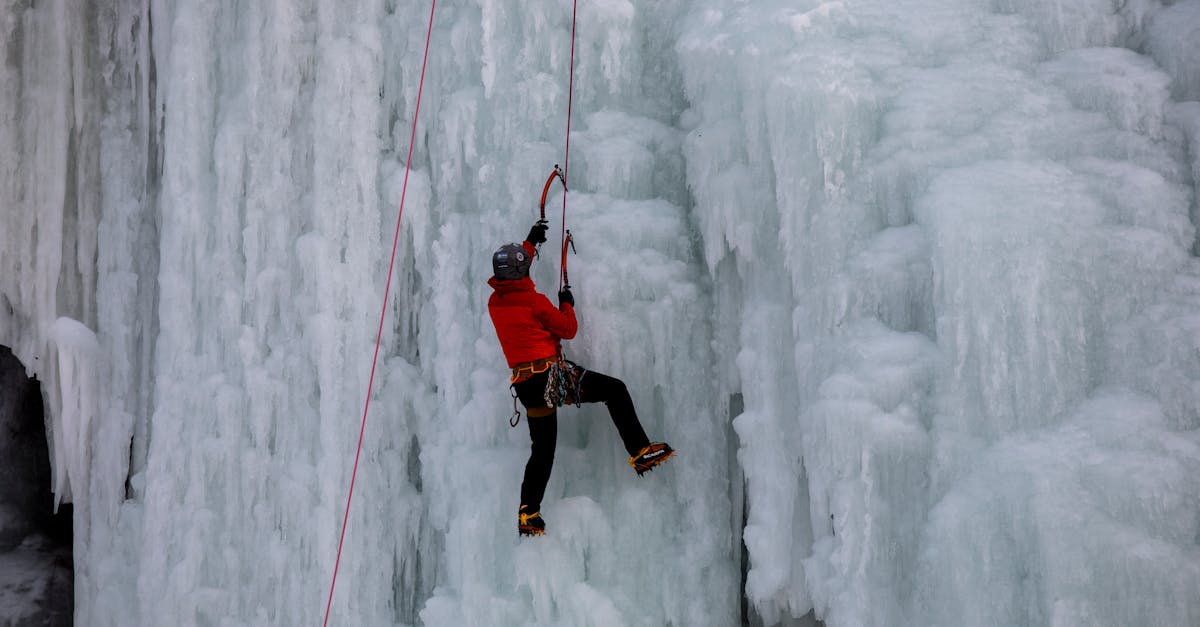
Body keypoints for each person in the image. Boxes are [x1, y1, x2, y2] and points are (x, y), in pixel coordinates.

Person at [487, 220, 674, 537]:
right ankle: (640, 452)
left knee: (542, 451)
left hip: (527, 387)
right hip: (551, 377)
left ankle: (528, 514)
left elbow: (517, 269)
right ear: (521, 274)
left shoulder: (496, 302)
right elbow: (568, 329)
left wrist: (530, 242)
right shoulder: (535, 302)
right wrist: (567, 303)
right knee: (614, 390)